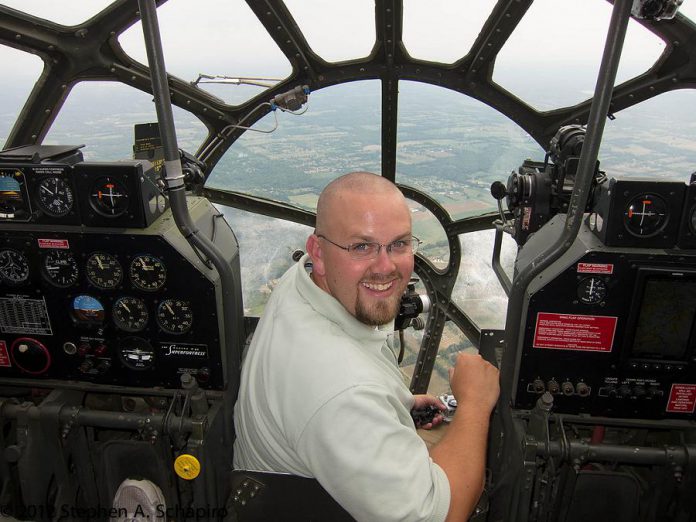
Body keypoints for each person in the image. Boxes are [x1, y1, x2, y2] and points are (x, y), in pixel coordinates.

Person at [233, 172, 500, 521]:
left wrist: (395, 406)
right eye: (362, 246)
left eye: (399, 244)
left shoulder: (304, 278)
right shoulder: (339, 390)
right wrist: (476, 403)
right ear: (320, 251)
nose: (386, 267)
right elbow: (444, 515)